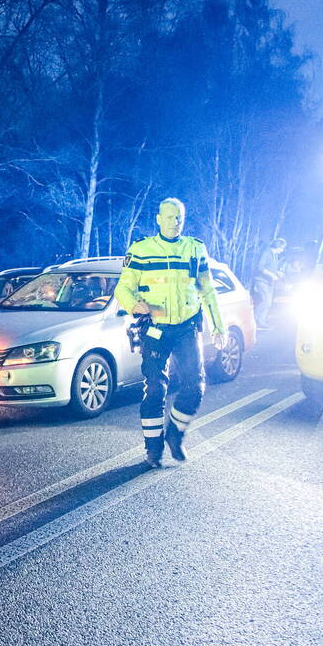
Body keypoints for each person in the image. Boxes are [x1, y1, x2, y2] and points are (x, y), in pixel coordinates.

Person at [114, 198, 226, 468]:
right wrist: (133, 305)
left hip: (187, 328)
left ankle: (175, 435)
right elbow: (122, 288)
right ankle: (153, 450)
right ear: (158, 219)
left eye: (179, 217)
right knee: (155, 390)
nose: (175, 222)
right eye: (169, 217)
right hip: (156, 329)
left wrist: (218, 325)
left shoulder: (195, 249)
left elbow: (208, 290)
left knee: (195, 387)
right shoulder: (142, 250)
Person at [252, 237, 286, 330]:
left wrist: (277, 272)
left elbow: (271, 267)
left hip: (269, 282)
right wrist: (272, 275)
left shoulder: (274, 255)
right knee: (266, 301)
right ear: (278, 246)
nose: (282, 250)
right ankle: (255, 319)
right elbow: (260, 267)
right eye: (282, 248)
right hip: (262, 281)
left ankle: (261, 321)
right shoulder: (266, 253)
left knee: (268, 302)